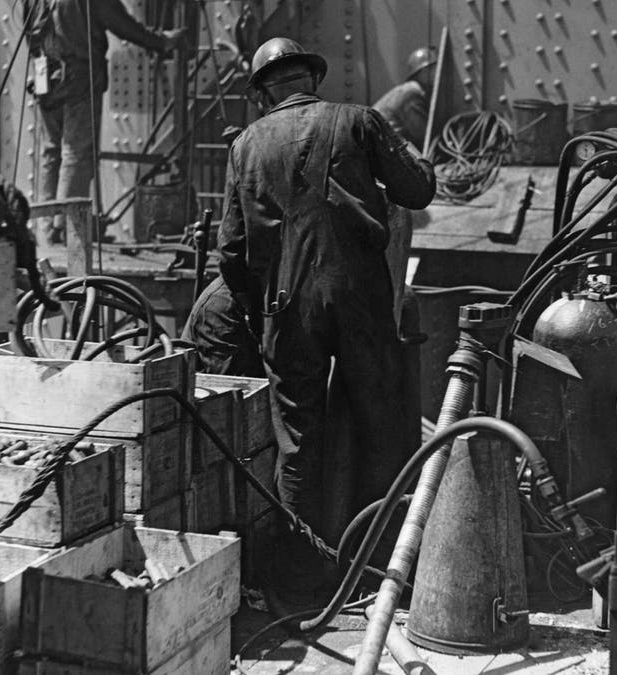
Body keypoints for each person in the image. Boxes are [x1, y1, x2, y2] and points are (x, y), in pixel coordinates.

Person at [218, 37, 436, 610]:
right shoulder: (358, 121)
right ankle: (382, 571)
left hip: (286, 306)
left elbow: (231, 250)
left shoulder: (245, 146)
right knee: (383, 427)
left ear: (264, 92)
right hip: (360, 296)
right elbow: (418, 189)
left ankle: (303, 580)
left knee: (298, 443)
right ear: (310, 79)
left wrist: (255, 308)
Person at [25, 0, 190, 242]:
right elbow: (121, 24)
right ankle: (66, 230)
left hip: (44, 74)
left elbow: (30, 32)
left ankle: (47, 228)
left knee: (51, 152)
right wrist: (161, 41)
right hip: (78, 74)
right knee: (76, 153)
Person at [372, 47, 437, 151]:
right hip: (382, 149)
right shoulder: (412, 92)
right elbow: (423, 135)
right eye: (433, 69)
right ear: (424, 71)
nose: (437, 73)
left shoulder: (406, 89)